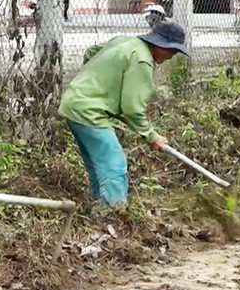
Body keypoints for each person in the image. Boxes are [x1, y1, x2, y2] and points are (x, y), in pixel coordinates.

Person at [58, 22, 190, 209]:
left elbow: (91, 52)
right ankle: (114, 212)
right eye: (172, 51)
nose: (172, 56)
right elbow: (132, 108)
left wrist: (99, 82)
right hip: (89, 111)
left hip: (74, 103)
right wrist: (151, 136)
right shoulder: (142, 60)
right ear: (161, 45)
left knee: (98, 164)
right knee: (114, 163)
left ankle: (99, 207)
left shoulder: (126, 42)